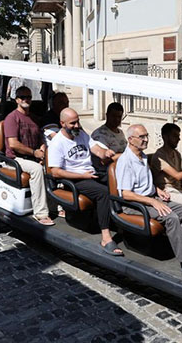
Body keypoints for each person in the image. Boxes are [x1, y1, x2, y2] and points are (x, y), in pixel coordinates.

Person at [116, 124, 182, 277]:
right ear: (130, 139)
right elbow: (126, 194)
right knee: (171, 217)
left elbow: (144, 183)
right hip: (135, 204)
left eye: (146, 136)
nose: (146, 139)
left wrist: (157, 190)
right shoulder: (125, 161)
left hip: (150, 197)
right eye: (142, 137)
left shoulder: (142, 157)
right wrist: (153, 202)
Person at [47, 108, 123, 256]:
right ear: (62, 123)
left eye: (78, 121)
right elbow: (55, 172)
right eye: (72, 123)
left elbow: (95, 148)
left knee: (119, 182)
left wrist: (105, 153)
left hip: (90, 173)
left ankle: (121, 222)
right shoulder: (57, 143)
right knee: (103, 193)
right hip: (73, 179)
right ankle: (106, 237)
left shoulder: (81, 134)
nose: (76, 125)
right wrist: (82, 175)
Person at [3, 86, 54, 226]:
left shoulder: (33, 118)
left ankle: (56, 205)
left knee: (54, 165)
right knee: (37, 170)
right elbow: (13, 144)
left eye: (29, 97)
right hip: (15, 158)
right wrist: (34, 153)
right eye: (22, 97)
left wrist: (42, 148)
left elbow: (40, 138)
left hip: (32, 156)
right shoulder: (12, 118)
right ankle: (41, 213)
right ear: (17, 100)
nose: (26, 100)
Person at [91, 102, 127, 174]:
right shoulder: (99, 134)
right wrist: (128, 155)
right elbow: (104, 161)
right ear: (107, 115)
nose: (116, 119)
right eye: (113, 116)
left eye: (119, 117)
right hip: (108, 173)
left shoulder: (120, 132)